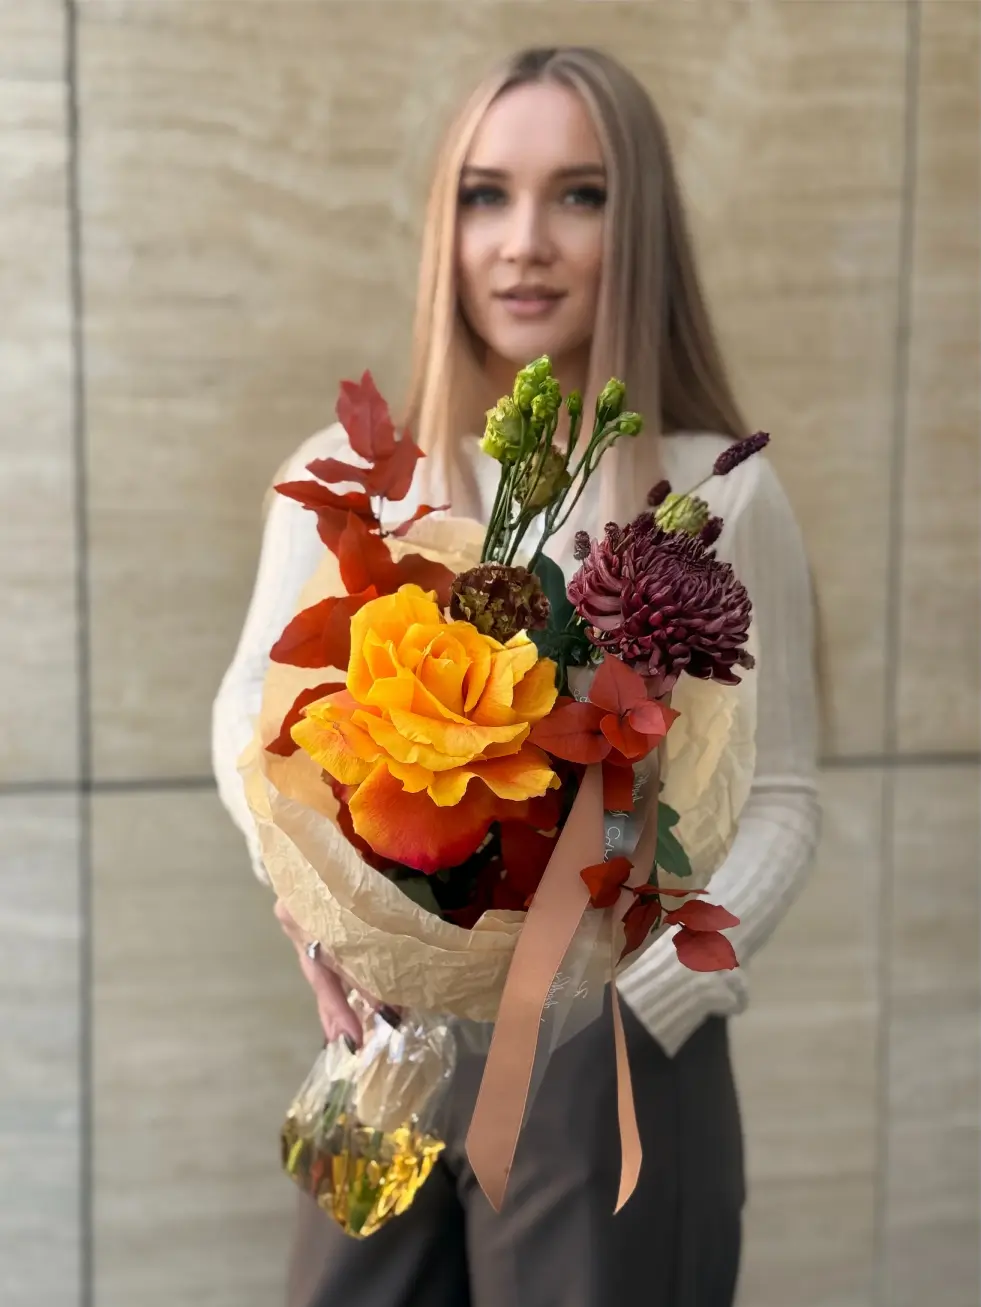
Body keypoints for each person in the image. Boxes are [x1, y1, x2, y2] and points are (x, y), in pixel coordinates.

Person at [212, 45, 820, 1307]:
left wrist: (631, 996)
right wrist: (320, 918)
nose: (524, 242)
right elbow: (250, 726)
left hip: (612, 1062)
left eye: (579, 195)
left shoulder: (719, 492)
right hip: (389, 1039)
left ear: (638, 228)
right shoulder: (351, 475)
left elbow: (783, 797)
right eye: (486, 194)